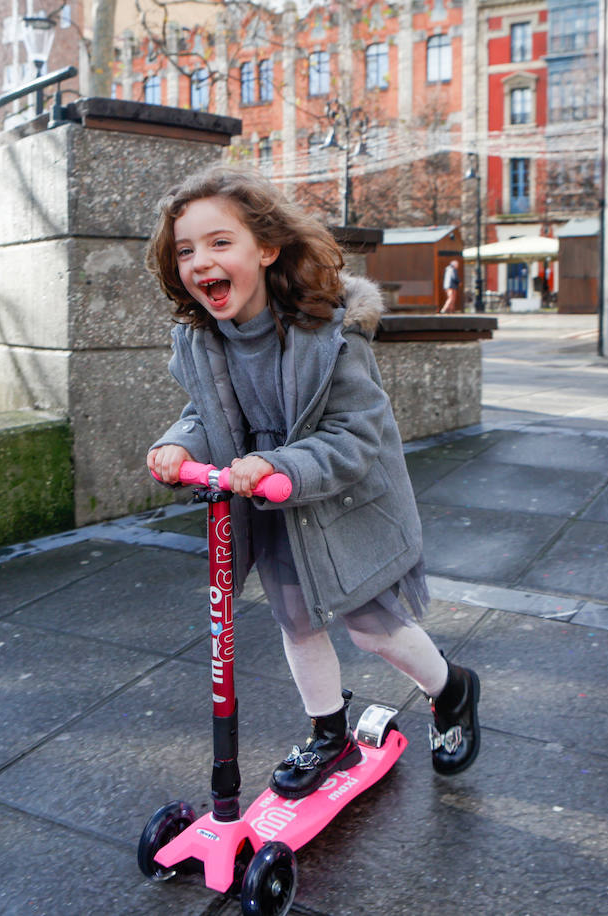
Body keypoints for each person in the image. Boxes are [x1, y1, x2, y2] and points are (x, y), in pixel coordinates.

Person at [145, 165, 481, 799]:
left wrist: (280, 466)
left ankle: (451, 688)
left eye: (221, 243)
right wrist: (179, 444)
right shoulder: (203, 341)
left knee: (371, 627)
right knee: (296, 621)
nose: (200, 262)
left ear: (267, 249)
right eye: (186, 250)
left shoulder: (328, 336)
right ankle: (329, 732)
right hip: (270, 505)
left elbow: (359, 435)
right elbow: (206, 412)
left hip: (341, 503)